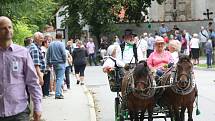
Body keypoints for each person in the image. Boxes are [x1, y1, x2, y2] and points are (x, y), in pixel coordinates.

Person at [0, 16, 42, 121]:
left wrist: (37, 106)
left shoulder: (23, 53)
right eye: (3, 28)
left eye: (10, 27)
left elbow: (32, 82)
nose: (8, 30)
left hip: (19, 112)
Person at [46, 33, 66, 99]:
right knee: (60, 78)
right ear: (61, 37)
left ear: (55, 36)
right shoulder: (61, 44)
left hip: (54, 63)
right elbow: (64, 53)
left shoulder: (51, 44)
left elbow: (48, 54)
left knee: (57, 78)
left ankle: (59, 93)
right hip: (61, 62)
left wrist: (48, 62)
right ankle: (58, 94)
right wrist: (64, 60)